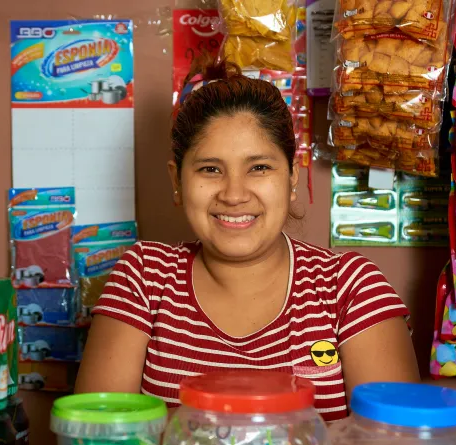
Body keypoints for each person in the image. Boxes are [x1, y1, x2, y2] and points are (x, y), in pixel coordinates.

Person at [74, 57, 419, 422]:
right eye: (210, 169)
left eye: (259, 168)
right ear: (177, 181)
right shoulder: (143, 278)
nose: (234, 194)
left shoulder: (349, 288)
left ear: (291, 178)